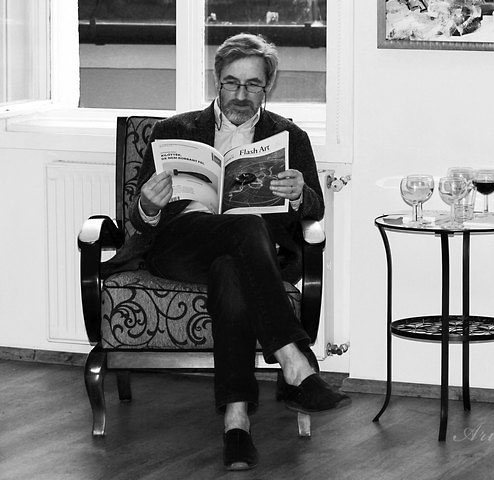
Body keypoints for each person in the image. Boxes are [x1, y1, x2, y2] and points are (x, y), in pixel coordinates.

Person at [130, 33, 351, 471]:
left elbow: (314, 209)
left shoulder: (288, 136)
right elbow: (138, 219)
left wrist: (299, 193)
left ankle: (237, 423)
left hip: (248, 255)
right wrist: (149, 205)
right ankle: (293, 361)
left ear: (268, 87)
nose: (241, 94)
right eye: (232, 83)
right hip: (180, 247)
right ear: (217, 81)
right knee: (247, 227)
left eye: (253, 85)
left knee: (231, 269)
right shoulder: (173, 131)